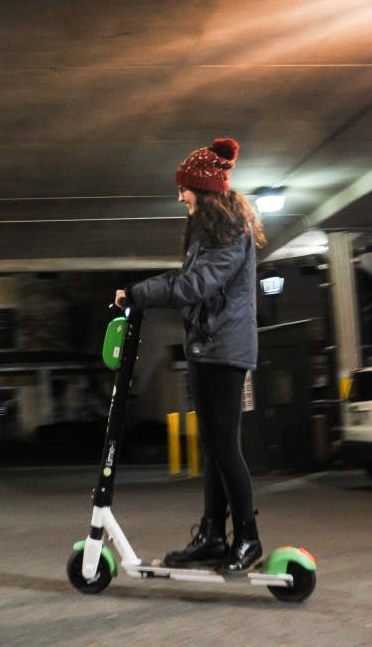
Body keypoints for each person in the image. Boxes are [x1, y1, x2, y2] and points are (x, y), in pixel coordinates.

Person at [114, 136, 267, 573]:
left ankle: (248, 539)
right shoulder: (211, 232)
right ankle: (214, 536)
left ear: (204, 190)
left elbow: (195, 286)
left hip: (225, 349)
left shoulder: (231, 232)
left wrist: (139, 294)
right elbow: (190, 278)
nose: (180, 196)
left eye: (185, 188)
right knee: (213, 445)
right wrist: (143, 292)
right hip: (208, 345)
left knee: (224, 446)